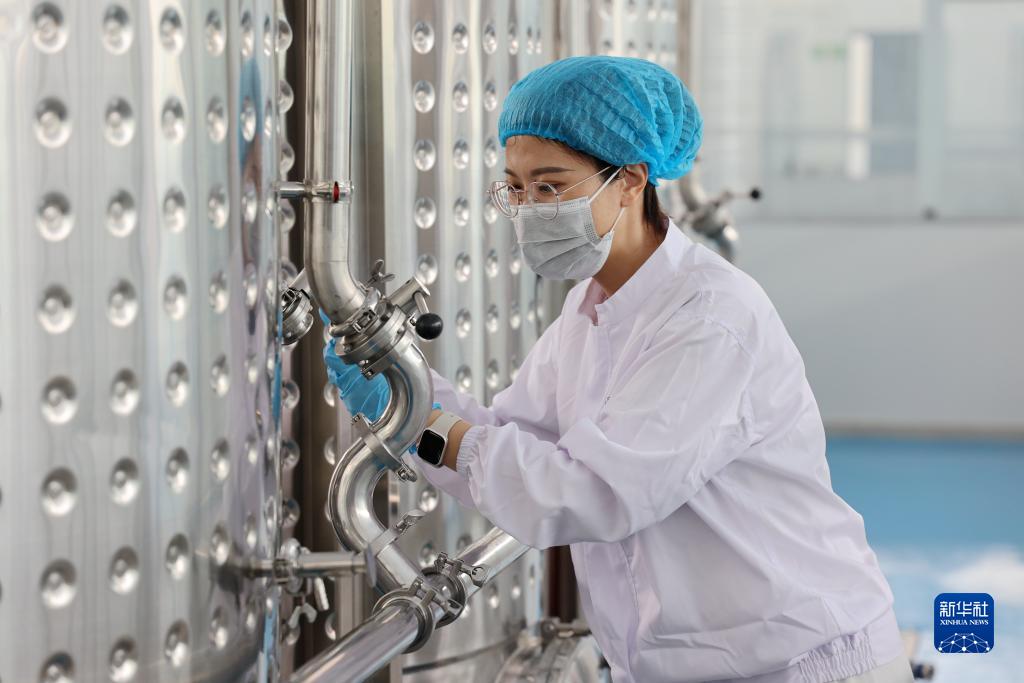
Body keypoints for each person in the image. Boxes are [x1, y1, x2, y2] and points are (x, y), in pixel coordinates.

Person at [324, 56, 914, 683]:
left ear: (630, 180)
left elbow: (591, 493)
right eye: (515, 188)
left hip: (802, 663)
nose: (528, 209)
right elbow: (510, 442)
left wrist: (428, 428)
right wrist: (403, 394)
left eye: (550, 187)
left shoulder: (709, 318)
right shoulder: (592, 307)